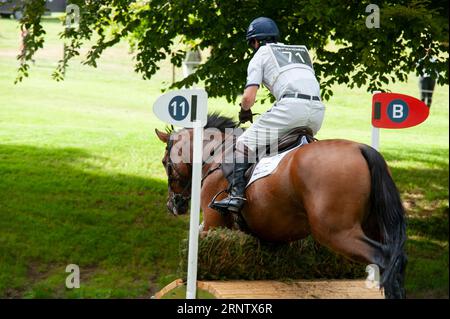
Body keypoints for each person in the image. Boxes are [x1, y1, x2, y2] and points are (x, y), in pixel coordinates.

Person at [210, 17, 326, 214]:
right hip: (317, 111)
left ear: (255, 42)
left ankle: (236, 196)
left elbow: (249, 97)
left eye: (251, 44)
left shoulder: (261, 54)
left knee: (242, 145)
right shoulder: (301, 51)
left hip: (291, 107)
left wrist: (245, 111)